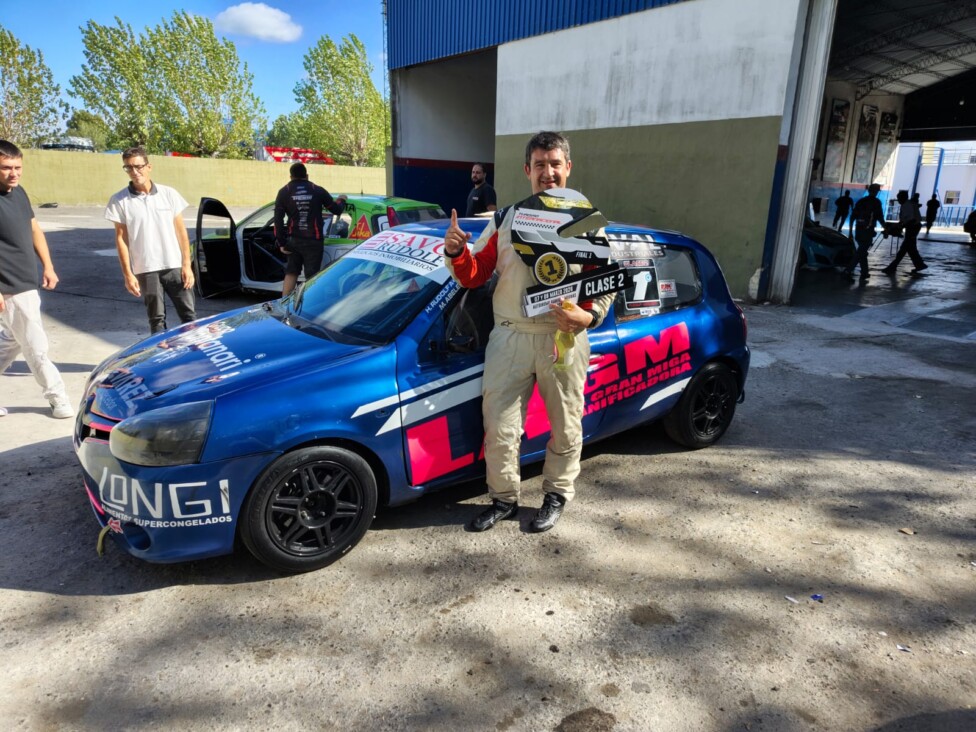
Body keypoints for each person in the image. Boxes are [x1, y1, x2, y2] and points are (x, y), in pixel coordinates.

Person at [442, 131, 614, 534]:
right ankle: (503, 499)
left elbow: (603, 283)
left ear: (568, 167)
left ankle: (556, 494)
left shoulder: (587, 221)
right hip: (510, 336)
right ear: (527, 170)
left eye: (555, 164)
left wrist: (588, 317)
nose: (547, 172)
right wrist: (456, 251)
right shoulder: (504, 219)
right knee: (500, 428)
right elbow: (475, 275)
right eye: (540, 165)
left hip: (563, 338)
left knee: (566, 426)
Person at [0, 139, 74, 419]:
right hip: (10, 286)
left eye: (18, 167)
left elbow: (34, 230)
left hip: (27, 279)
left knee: (12, 341)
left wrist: (48, 266)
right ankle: (58, 399)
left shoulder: (19, 192)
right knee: (36, 346)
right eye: (6, 168)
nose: (14, 173)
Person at [105, 147, 196, 334]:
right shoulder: (119, 200)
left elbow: (181, 232)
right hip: (146, 268)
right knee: (157, 322)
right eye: (129, 167)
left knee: (189, 318)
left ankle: (195, 351)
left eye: (138, 166)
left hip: (174, 265)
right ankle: (162, 352)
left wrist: (187, 265)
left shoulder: (168, 194)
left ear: (149, 167)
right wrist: (128, 274)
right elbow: (121, 239)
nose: (134, 171)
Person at [274, 163, 347, 297]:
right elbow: (336, 210)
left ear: (291, 177)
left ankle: (284, 303)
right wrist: (341, 200)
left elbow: (278, 219)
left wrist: (281, 242)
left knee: (291, 272)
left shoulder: (284, 191)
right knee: (312, 277)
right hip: (314, 241)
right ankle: (309, 304)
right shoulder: (317, 190)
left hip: (293, 240)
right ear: (307, 176)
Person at [844, 183, 886, 281]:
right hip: (868, 232)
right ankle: (848, 270)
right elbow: (880, 217)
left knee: (862, 251)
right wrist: (886, 228)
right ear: (876, 192)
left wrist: (850, 233)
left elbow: (852, 217)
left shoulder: (861, 201)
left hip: (858, 231)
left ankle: (864, 272)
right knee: (861, 252)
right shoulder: (876, 202)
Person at [882, 190, 926, 275]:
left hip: (913, 227)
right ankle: (920, 265)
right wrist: (898, 225)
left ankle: (893, 267)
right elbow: (904, 219)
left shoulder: (907, 205)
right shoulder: (907, 204)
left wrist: (900, 227)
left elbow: (911, 220)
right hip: (913, 226)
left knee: (905, 248)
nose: (898, 200)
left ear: (903, 198)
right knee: (911, 248)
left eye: (899, 198)